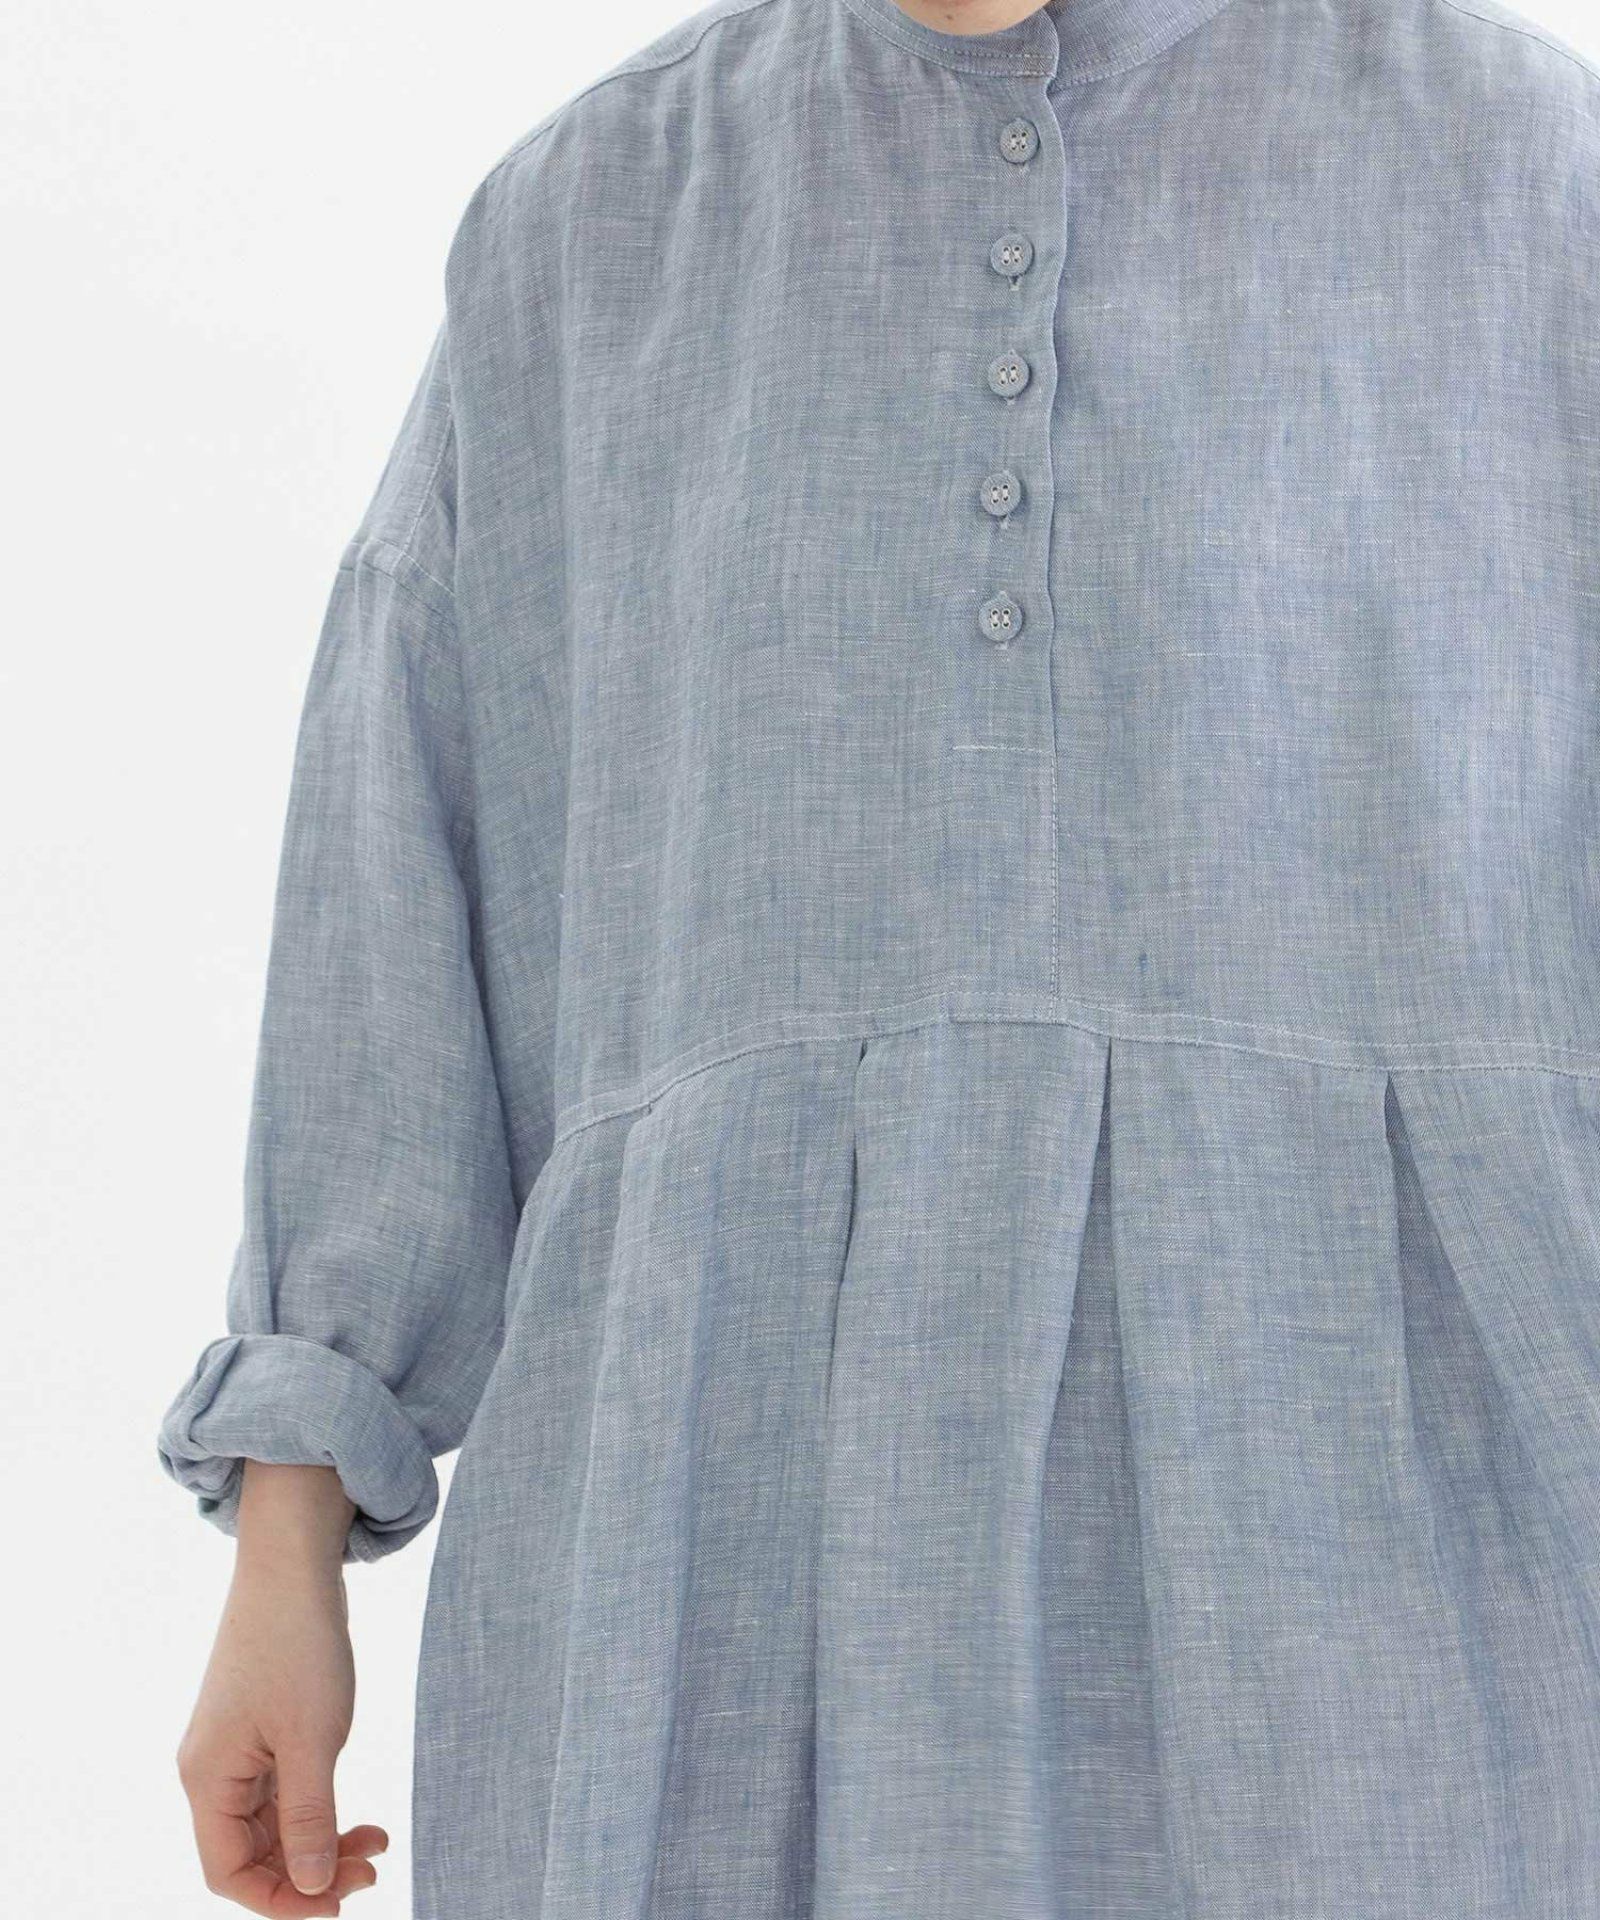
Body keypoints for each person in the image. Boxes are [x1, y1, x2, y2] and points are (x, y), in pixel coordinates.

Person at [159, 0, 1600, 1912]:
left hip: (1415, 1610)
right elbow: (394, 886)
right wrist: (284, 1546)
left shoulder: (1530, 176)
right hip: (734, 1580)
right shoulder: (591, 221)